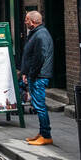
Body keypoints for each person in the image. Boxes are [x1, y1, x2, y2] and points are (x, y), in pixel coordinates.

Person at [20, 10, 55, 145]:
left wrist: (31, 74)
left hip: (39, 76)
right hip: (35, 75)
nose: (25, 22)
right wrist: (25, 72)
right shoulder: (36, 34)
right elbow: (29, 56)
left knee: (40, 106)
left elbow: (39, 58)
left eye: (27, 20)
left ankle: (46, 135)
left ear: (33, 22)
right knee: (37, 104)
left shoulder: (41, 36)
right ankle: (42, 132)